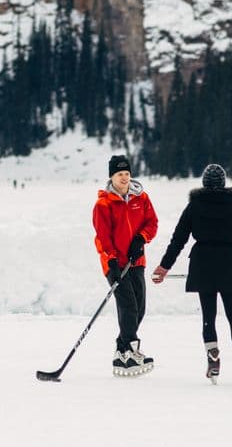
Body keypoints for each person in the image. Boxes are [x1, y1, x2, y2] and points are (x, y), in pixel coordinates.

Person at [151, 163, 232, 384]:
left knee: (208, 317)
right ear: (224, 183)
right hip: (228, 263)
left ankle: (213, 357)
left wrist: (164, 267)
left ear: (204, 182)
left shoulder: (194, 206)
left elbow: (178, 241)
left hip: (203, 264)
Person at [93, 153, 159, 377]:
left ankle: (121, 351)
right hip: (114, 264)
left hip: (136, 261)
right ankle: (131, 349)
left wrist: (141, 238)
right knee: (128, 305)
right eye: (119, 174)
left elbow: (152, 222)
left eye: (127, 173)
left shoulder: (141, 198)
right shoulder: (103, 204)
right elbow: (102, 236)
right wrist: (111, 259)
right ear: (111, 177)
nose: (124, 178)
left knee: (139, 307)